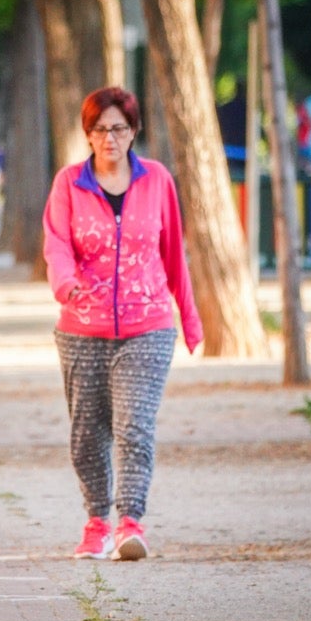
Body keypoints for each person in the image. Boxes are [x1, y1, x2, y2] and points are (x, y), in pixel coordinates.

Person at [42, 86, 203, 563]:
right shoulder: (69, 183)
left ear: (134, 131)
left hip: (148, 325)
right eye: (98, 129)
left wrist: (190, 320)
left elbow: (174, 251)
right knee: (87, 433)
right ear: (87, 134)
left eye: (118, 128)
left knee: (134, 426)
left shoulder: (157, 181)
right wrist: (64, 282)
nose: (108, 138)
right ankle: (96, 524)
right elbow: (55, 243)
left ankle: (130, 524)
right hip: (81, 328)